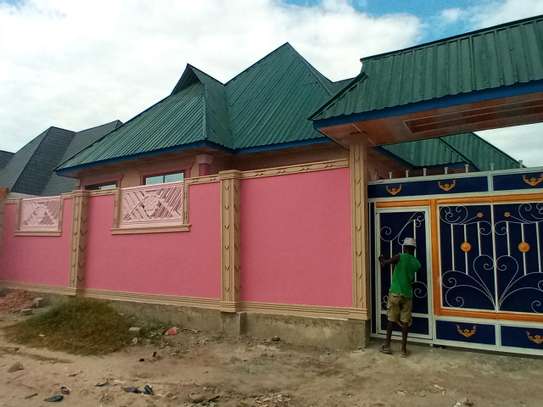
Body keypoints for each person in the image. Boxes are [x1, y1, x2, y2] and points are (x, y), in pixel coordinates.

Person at [378, 237, 421, 357]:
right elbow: (414, 269)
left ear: (404, 247)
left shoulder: (399, 257)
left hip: (395, 293)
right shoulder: (416, 262)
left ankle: (387, 346)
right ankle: (403, 350)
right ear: (414, 249)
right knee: (405, 321)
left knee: (391, 319)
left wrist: (381, 259)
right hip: (407, 294)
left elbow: (385, 263)